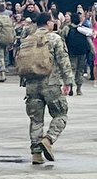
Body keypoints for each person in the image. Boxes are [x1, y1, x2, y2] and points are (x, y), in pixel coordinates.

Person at [17, 12, 73, 162]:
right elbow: (63, 61)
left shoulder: (27, 40)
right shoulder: (54, 38)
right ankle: (48, 139)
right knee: (61, 114)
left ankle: (36, 154)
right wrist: (68, 82)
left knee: (36, 120)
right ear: (48, 23)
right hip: (51, 83)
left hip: (31, 85)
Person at [60, 13, 90, 95]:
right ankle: (75, 88)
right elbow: (62, 38)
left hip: (77, 52)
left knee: (74, 70)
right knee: (77, 70)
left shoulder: (78, 28)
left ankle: (74, 88)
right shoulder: (71, 28)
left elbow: (62, 38)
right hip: (76, 52)